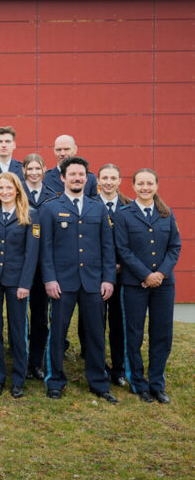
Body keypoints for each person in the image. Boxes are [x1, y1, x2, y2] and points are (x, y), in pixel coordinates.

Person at [39, 156, 117, 403]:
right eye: (72, 174)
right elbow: (46, 249)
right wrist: (49, 279)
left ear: (87, 177)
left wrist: (108, 279)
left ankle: (99, 383)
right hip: (62, 283)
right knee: (57, 333)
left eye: (81, 174)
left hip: (94, 282)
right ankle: (55, 381)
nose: (77, 178)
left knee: (95, 333)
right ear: (62, 177)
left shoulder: (98, 208)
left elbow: (107, 247)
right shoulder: (50, 208)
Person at [114, 169, 182, 404]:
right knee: (133, 333)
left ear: (156, 185)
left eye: (149, 183)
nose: (145, 187)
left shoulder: (166, 213)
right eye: (140, 183)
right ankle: (138, 383)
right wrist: (145, 274)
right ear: (132, 186)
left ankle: (157, 384)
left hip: (164, 284)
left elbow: (175, 247)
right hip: (135, 284)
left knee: (162, 334)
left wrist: (160, 274)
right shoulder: (124, 215)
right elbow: (123, 250)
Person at [0, 172, 39, 398]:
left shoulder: (30, 215)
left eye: (8, 188)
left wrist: (25, 283)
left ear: (17, 190)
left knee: (17, 331)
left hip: (16, 282)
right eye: (0, 188)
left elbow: (32, 254)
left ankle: (18, 379)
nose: (4, 192)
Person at [95, 163, 131, 386]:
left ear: (119, 181)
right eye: (104, 178)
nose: (108, 182)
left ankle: (119, 368)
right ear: (98, 181)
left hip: (123, 274)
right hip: (95, 274)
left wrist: (120, 265)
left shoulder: (129, 206)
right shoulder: (89, 204)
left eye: (113, 178)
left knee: (119, 322)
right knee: (95, 323)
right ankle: (98, 365)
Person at [22, 153, 51, 380]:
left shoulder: (53, 196)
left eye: (37, 168)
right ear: (23, 171)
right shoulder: (16, 193)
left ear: (44, 170)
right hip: (21, 264)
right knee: (20, 316)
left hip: (45, 265)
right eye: (29, 169)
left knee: (40, 316)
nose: (33, 172)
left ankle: (36, 362)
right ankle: (21, 360)